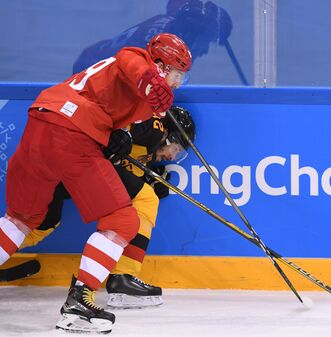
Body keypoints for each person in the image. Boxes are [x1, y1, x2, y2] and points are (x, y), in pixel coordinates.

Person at [0, 33, 192, 334]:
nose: (178, 83)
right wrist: (150, 80)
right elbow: (131, 64)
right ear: (159, 64)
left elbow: (109, 101)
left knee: (22, 219)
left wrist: (114, 131)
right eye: (177, 74)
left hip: (43, 119)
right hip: (70, 132)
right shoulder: (137, 60)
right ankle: (79, 302)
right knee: (124, 221)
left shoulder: (136, 93)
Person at [20, 107, 196, 309]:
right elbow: (121, 122)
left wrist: (147, 179)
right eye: (176, 148)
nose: (173, 156)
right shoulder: (154, 126)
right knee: (146, 199)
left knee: (38, 227)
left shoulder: (146, 152)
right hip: (76, 162)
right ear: (167, 134)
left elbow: (121, 164)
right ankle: (123, 277)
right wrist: (120, 132)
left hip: (56, 165)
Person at [73, 0, 232, 74]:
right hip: (90, 70)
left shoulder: (172, 24)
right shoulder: (157, 54)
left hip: (92, 58)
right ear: (190, 34)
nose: (205, 50)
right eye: (206, 41)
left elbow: (179, 6)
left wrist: (213, 15)